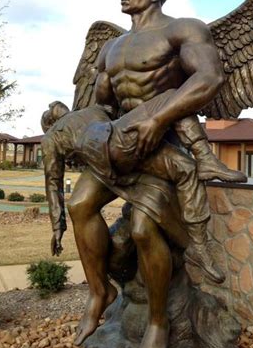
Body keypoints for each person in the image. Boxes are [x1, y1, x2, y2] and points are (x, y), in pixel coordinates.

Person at [64, 0, 235, 348]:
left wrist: (158, 119)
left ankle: (159, 323)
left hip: (162, 144)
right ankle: (99, 292)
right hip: (118, 145)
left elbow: (208, 78)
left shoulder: (182, 30)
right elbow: (102, 105)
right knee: (79, 204)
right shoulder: (111, 47)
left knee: (142, 229)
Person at [41, 90, 232, 279]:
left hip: (124, 142)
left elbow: (116, 103)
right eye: (50, 111)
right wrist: (58, 227)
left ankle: (198, 247)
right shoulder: (51, 136)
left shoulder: (90, 109)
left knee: (188, 168)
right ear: (50, 122)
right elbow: (53, 182)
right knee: (173, 95)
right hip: (113, 143)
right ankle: (205, 157)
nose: (54, 108)